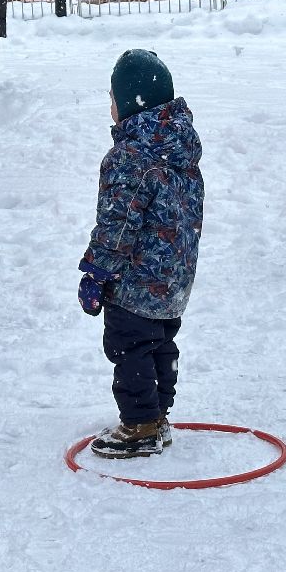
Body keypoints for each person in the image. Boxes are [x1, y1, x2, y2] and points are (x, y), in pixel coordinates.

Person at [78, 50, 204, 459]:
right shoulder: (179, 147)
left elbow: (116, 227)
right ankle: (158, 414)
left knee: (129, 348)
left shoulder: (129, 158)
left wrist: (96, 272)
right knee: (161, 345)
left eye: (111, 98)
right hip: (174, 279)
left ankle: (140, 425)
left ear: (129, 103)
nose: (109, 107)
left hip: (135, 282)